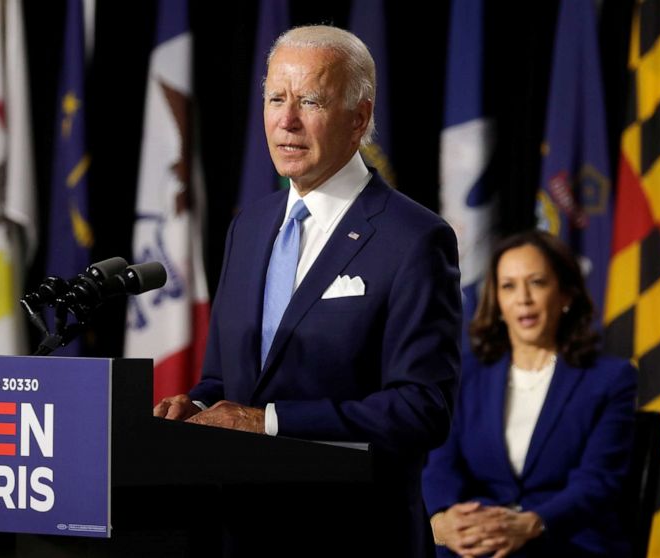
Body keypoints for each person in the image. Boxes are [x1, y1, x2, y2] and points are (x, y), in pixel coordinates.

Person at [153, 25, 461, 557]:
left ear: (359, 117)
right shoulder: (249, 225)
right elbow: (226, 379)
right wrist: (198, 408)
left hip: (353, 536)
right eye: (276, 98)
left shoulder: (414, 238)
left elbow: (420, 408)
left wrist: (267, 421)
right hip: (242, 534)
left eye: (310, 100)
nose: (286, 121)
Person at [422, 230, 637, 557]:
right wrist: (443, 517)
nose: (523, 298)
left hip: (568, 539)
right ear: (498, 302)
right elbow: (440, 465)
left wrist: (532, 523)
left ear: (565, 294)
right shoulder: (465, 376)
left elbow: (597, 481)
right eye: (508, 286)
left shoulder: (610, 379)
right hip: (477, 542)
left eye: (536, 282)